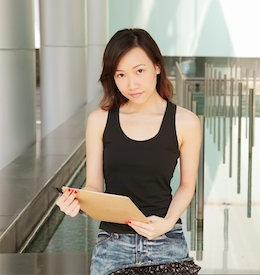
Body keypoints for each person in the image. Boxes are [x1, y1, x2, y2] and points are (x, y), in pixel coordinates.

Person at [56, 28, 202, 275]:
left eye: (139, 71)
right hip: (112, 246)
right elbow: (93, 185)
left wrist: (166, 223)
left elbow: (187, 185)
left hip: (165, 240)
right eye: (120, 75)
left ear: (157, 66)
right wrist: (77, 201)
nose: (131, 84)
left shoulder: (185, 122)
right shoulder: (99, 120)